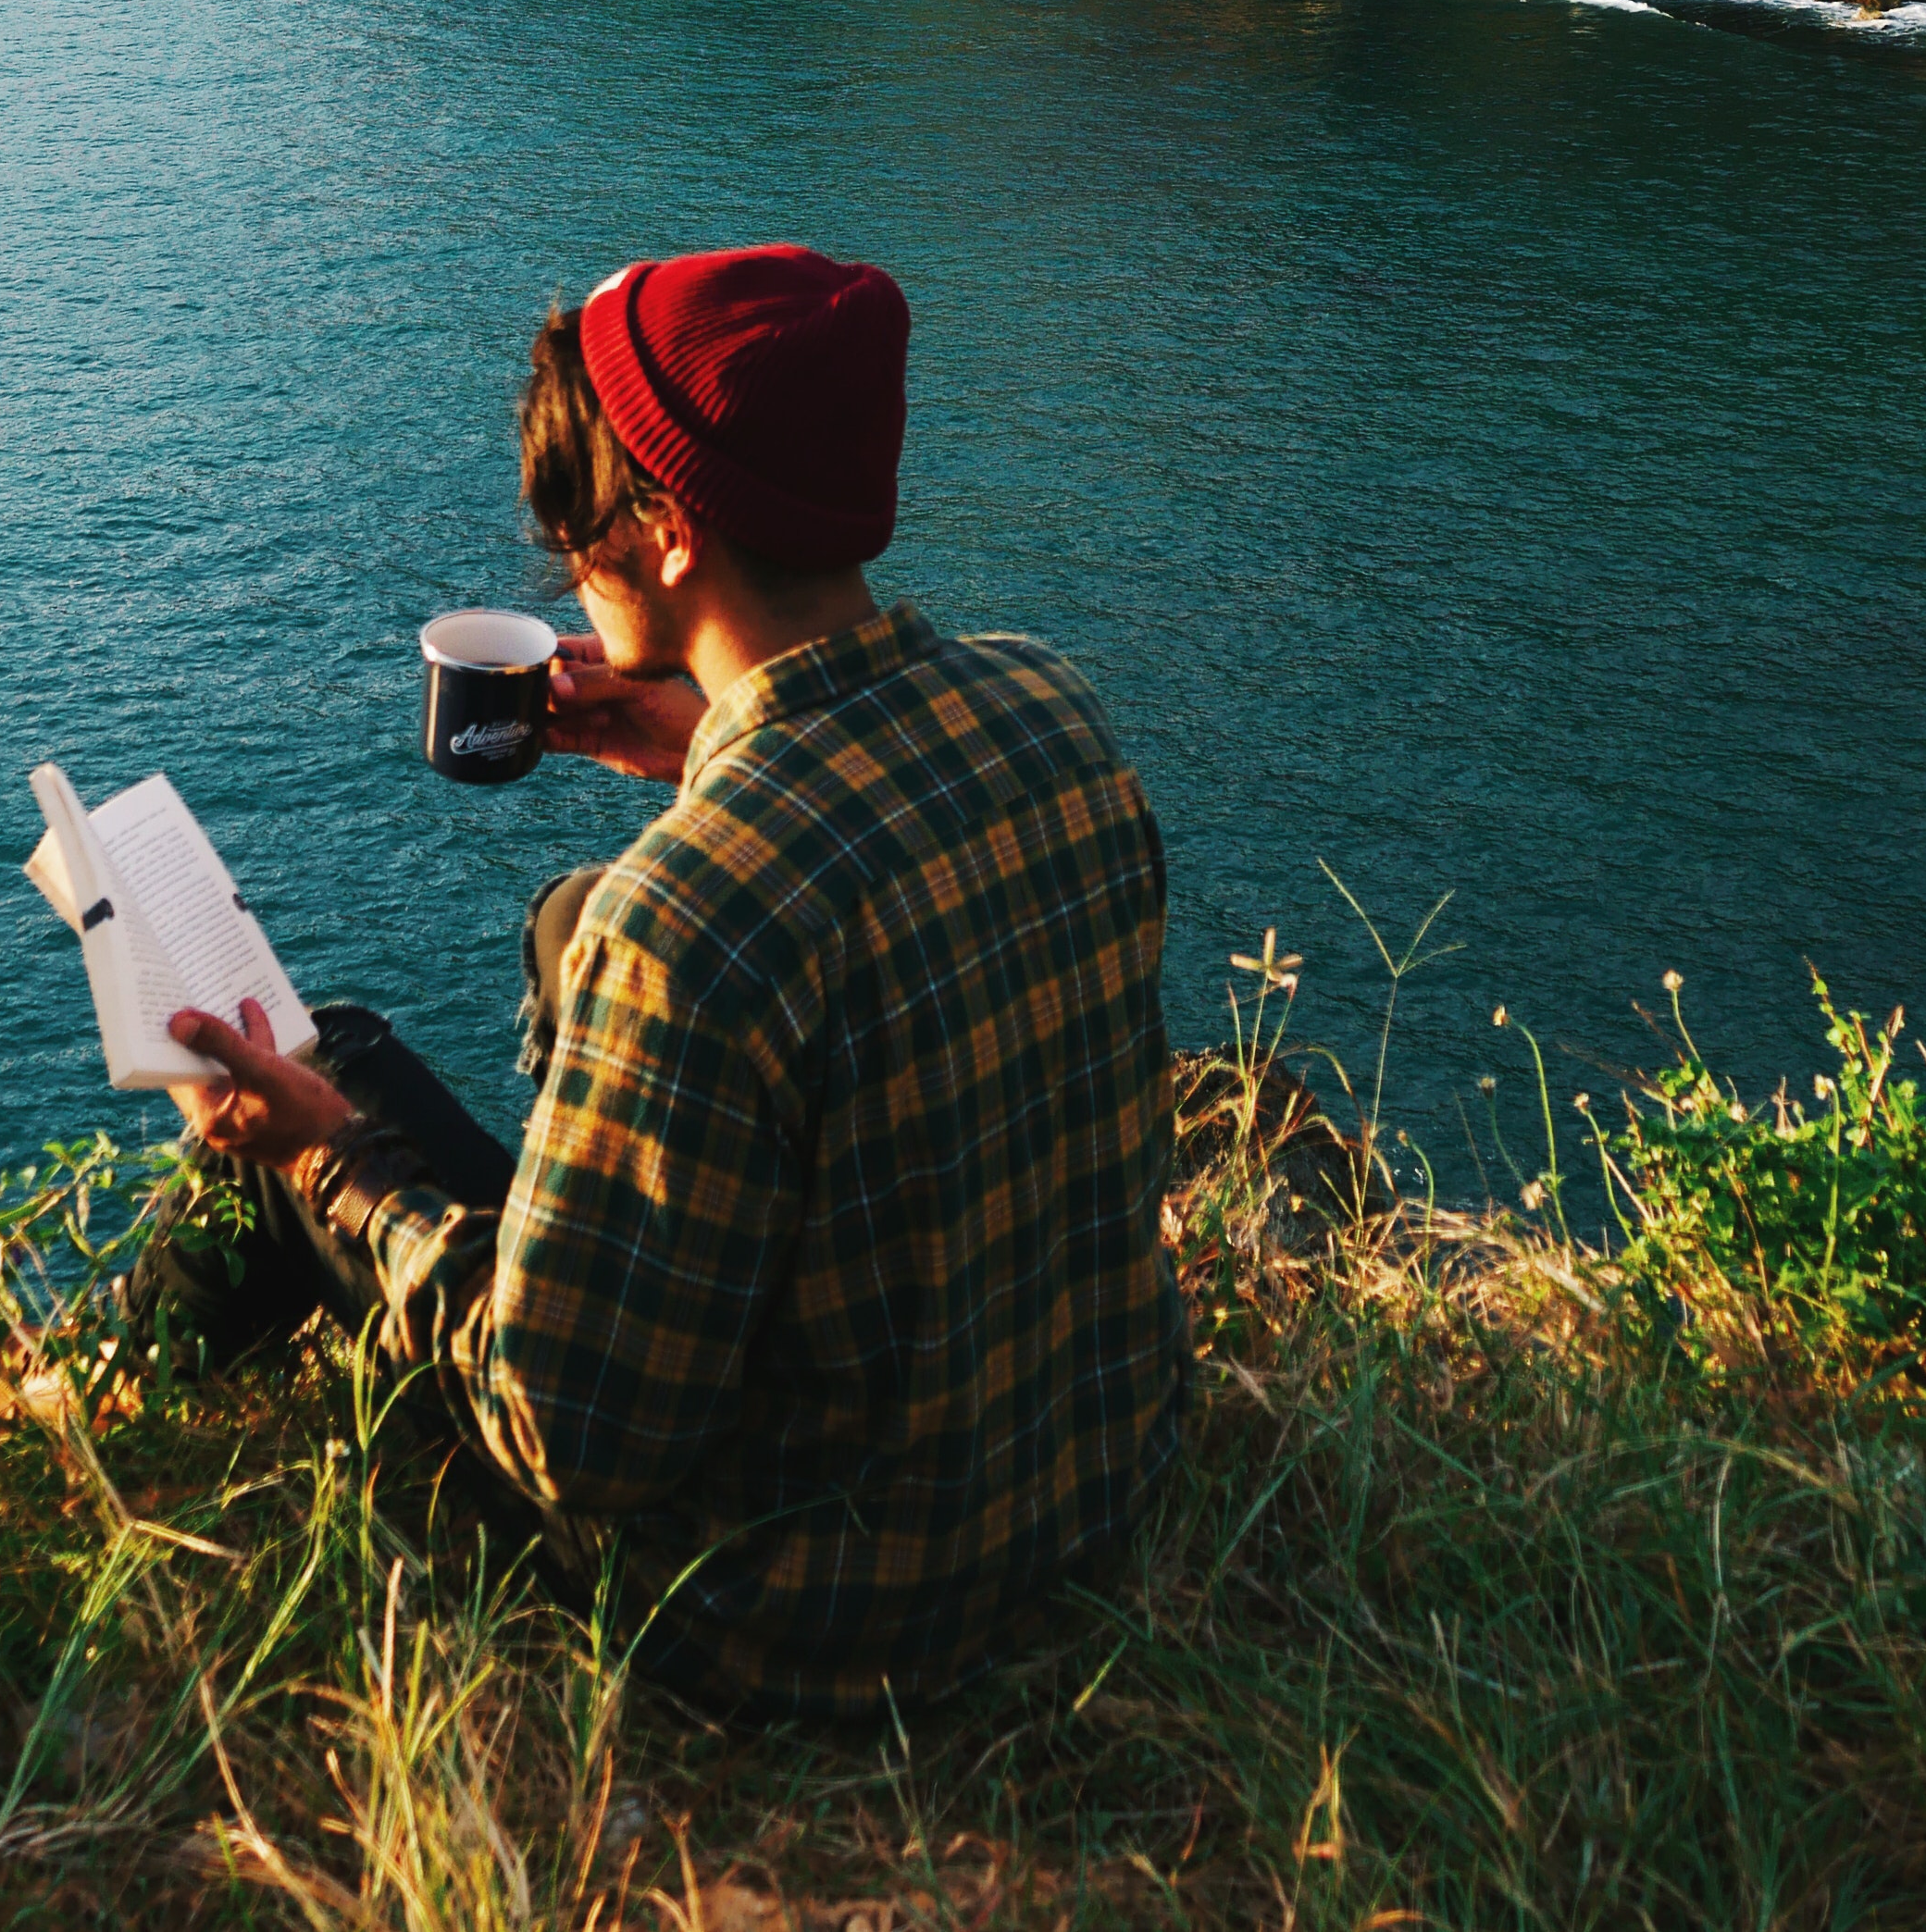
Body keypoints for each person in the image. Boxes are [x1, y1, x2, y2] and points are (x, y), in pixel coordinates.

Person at [136, 242, 1189, 1715]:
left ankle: (108, 1418)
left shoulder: (686, 919)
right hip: (1087, 1487)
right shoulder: (1052, 704)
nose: (565, 560)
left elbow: (564, 1436)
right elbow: (863, 837)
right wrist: (699, 738)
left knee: (330, 1084)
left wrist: (328, 1167)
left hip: (809, 1619)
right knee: (496, 970)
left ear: (670, 531)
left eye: (578, 523)